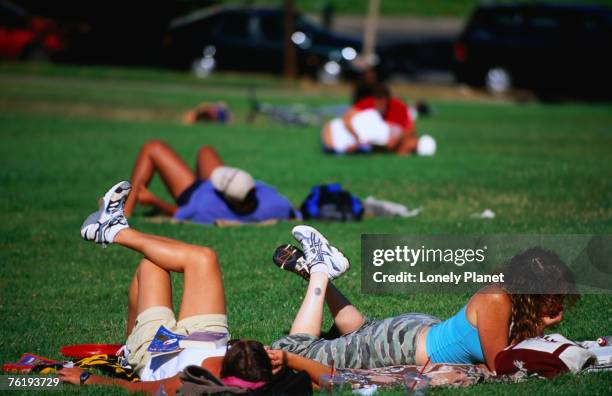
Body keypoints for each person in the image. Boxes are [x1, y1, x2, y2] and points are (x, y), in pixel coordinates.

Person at [58, 182, 331, 393]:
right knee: (203, 257)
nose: (249, 342)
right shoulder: (263, 374)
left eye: (243, 346)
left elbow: (138, 389)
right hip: (207, 337)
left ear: (225, 371)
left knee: (152, 266)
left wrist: (88, 379)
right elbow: (334, 380)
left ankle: (129, 350)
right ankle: (114, 230)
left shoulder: (197, 381)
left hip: (158, 351)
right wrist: (287, 358)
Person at [270, 227, 577, 372]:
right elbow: (500, 365)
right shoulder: (497, 299)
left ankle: (318, 273)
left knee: (359, 331)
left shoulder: (505, 294)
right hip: (404, 345)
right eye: (555, 296)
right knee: (297, 351)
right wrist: (539, 324)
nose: (560, 302)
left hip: (415, 334)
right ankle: (321, 269)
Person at [123, 140, 299, 224]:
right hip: (216, 188)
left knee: (153, 148)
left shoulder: (208, 207)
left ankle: (125, 212)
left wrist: (154, 201)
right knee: (206, 150)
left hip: (193, 193)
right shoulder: (275, 204)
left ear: (226, 198)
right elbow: (294, 213)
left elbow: (179, 214)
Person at [321, 84, 418, 155]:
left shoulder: (399, 107)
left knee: (410, 144)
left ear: (388, 101)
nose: (380, 106)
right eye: (377, 103)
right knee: (329, 126)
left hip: (388, 139)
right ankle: (334, 148)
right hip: (363, 138)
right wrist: (357, 137)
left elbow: (410, 127)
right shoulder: (368, 103)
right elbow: (346, 119)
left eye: (382, 103)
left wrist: (397, 140)